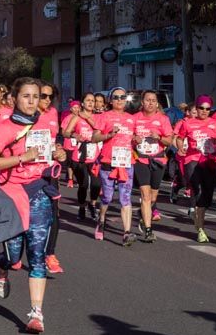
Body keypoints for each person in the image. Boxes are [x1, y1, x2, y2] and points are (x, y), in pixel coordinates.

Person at [0, 77, 66, 333]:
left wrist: (59, 153)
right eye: (26, 96)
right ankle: (1, 267)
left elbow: (51, 150)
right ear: (14, 99)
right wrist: (22, 158)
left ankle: (36, 313)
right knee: (14, 256)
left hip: (39, 192)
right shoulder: (6, 128)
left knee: (38, 255)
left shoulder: (45, 125)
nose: (32, 101)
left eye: (36, 96)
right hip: (12, 194)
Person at [173, 95, 216, 243]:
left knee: (207, 195)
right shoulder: (188, 123)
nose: (204, 111)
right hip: (193, 160)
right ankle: (200, 229)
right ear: (196, 108)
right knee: (196, 189)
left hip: (210, 160)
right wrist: (180, 148)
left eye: (207, 109)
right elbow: (179, 138)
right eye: (201, 108)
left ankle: (199, 220)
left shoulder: (215, 124)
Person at [91, 88, 138, 245]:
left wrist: (137, 140)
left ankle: (127, 232)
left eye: (123, 97)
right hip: (108, 162)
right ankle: (101, 220)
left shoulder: (132, 119)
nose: (120, 100)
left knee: (125, 197)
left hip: (126, 162)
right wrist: (109, 135)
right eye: (116, 97)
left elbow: (135, 138)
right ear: (110, 100)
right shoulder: (104, 116)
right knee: (108, 197)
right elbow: (94, 137)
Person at [132, 90, 174, 243]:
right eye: (148, 100)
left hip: (158, 159)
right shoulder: (135, 118)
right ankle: (149, 230)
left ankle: (143, 214)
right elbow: (127, 137)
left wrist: (160, 138)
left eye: (153, 100)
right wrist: (134, 138)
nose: (150, 103)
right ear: (142, 102)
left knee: (153, 196)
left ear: (157, 103)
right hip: (140, 159)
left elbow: (169, 141)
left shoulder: (163, 119)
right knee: (145, 194)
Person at [38, 82, 65, 273]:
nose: (47, 100)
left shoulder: (53, 113)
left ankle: (50, 254)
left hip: (48, 170)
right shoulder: (24, 115)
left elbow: (56, 139)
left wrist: (60, 150)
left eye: (50, 96)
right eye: (43, 96)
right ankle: (13, 254)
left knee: (53, 211)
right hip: (25, 172)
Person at [63, 92, 102, 221]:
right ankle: (81, 206)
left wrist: (87, 118)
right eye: (88, 100)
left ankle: (92, 204)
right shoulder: (76, 117)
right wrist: (74, 135)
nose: (91, 103)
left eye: (93, 100)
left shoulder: (98, 117)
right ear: (83, 103)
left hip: (95, 155)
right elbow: (65, 132)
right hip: (79, 155)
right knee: (83, 184)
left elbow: (101, 130)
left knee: (96, 184)